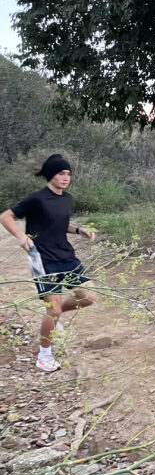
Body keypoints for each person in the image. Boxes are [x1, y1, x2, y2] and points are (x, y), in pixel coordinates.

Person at [0, 154, 96, 372]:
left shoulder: (67, 198)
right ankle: (44, 356)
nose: (66, 178)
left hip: (67, 256)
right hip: (43, 260)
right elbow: (5, 216)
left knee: (88, 297)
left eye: (68, 174)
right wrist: (21, 237)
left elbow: (60, 223)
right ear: (51, 174)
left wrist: (78, 230)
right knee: (53, 310)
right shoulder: (37, 199)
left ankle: (56, 315)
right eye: (61, 173)